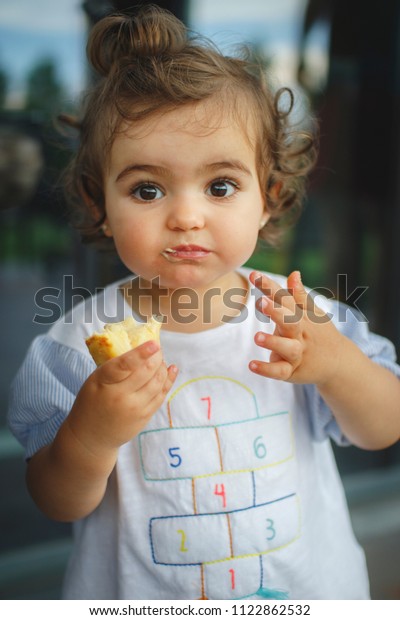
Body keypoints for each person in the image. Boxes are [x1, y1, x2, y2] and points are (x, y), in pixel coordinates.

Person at [8, 5, 400, 601]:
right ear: (99, 205)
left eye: (220, 186)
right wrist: (91, 434)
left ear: (266, 198)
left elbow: (384, 428)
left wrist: (338, 365)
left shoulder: (299, 316)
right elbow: (55, 500)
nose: (186, 216)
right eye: (147, 189)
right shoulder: (75, 343)